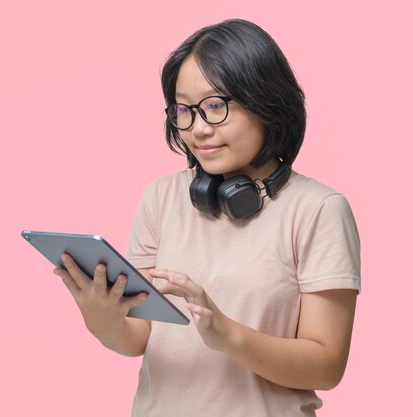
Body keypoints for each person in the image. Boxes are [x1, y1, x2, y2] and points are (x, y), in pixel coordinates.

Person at [53, 18, 360, 417]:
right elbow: (139, 337)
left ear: (265, 101)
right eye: (184, 111)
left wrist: (228, 335)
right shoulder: (162, 197)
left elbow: (327, 364)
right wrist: (102, 320)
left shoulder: (319, 209)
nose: (197, 129)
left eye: (215, 107)